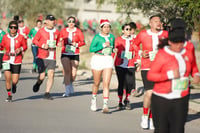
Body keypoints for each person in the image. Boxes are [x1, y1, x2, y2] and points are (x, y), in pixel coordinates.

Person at [147, 22, 200, 133]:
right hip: (162, 98)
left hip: (181, 97)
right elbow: (151, 75)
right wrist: (169, 75)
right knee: (162, 130)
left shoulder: (188, 51)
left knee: (178, 129)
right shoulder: (162, 55)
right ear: (170, 42)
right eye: (176, 43)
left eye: (181, 43)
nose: (179, 46)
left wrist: (196, 74)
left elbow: (194, 67)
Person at [133, 14, 168, 129]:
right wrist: (140, 53)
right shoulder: (143, 34)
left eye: (160, 21)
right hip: (147, 67)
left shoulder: (166, 34)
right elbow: (134, 45)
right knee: (149, 92)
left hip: (162, 68)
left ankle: (153, 118)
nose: (159, 23)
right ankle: (144, 116)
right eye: (156, 21)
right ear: (150, 23)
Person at [89, 19, 115, 113]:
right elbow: (91, 49)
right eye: (105, 27)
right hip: (98, 59)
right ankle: (94, 99)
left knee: (106, 83)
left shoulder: (112, 37)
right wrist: (103, 45)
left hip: (108, 59)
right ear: (101, 28)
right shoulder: (97, 37)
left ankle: (105, 105)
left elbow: (113, 48)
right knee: (96, 83)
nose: (107, 29)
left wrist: (113, 53)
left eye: (108, 27)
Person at [32, 15, 60, 100]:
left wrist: (59, 44)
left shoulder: (57, 32)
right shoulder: (41, 31)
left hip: (52, 56)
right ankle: (38, 83)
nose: (52, 22)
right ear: (46, 21)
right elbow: (34, 40)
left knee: (51, 75)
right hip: (42, 55)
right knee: (42, 76)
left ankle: (47, 93)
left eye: (53, 20)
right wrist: (42, 45)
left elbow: (58, 41)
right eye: (50, 20)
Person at [0, 21, 27, 102]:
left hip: (17, 60)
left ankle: (14, 85)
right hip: (6, 59)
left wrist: (21, 49)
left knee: (14, 80)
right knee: (8, 78)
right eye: (11, 27)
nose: (13, 29)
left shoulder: (21, 37)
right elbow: (2, 46)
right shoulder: (5, 37)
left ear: (17, 29)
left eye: (15, 27)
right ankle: (9, 95)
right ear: (9, 28)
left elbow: (25, 46)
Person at [114, 23, 139, 110]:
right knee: (121, 83)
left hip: (130, 64)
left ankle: (127, 99)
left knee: (129, 83)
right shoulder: (118, 39)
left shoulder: (134, 40)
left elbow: (137, 51)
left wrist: (138, 61)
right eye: (127, 29)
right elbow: (115, 49)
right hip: (120, 64)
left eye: (129, 29)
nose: (128, 31)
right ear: (123, 31)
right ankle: (120, 102)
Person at [59, 16, 85, 97]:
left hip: (75, 53)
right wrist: (59, 43)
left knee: (73, 74)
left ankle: (70, 83)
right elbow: (59, 40)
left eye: (73, 21)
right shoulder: (63, 31)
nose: (71, 23)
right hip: (65, 53)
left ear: (75, 23)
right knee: (67, 71)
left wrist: (76, 44)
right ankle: (67, 91)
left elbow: (83, 42)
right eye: (69, 21)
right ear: (67, 22)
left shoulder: (78, 31)